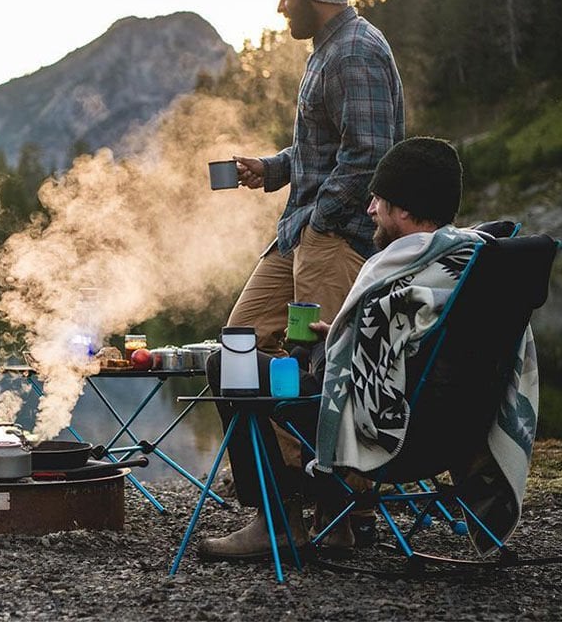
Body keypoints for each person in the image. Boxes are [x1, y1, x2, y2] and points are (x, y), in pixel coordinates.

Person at [199, 136, 538, 560]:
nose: (370, 209)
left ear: (406, 208)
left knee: (229, 361)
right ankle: (337, 522)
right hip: (451, 431)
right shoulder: (469, 263)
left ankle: (278, 523)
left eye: (378, 199)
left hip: (389, 434)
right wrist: (339, 335)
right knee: (308, 359)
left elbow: (361, 383)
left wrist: (339, 341)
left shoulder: (397, 269)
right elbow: (407, 351)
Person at [230, 0, 405, 356]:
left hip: (336, 240)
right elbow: (330, 149)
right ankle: (270, 426)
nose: (280, 7)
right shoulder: (329, 51)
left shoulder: (354, 52)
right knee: (240, 346)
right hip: (303, 235)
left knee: (320, 369)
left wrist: (320, 224)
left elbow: (369, 157)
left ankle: (304, 427)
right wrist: (272, 168)